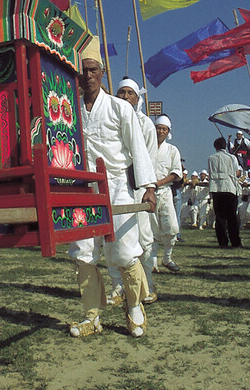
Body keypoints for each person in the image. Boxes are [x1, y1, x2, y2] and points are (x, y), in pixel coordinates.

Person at [68, 38, 156, 339]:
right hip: (83, 188)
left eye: (92, 69)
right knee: (82, 252)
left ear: (102, 72)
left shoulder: (120, 108)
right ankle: (91, 316)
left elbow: (138, 148)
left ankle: (134, 308)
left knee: (123, 251)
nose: (87, 75)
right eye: (83, 70)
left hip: (117, 185)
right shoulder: (68, 109)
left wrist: (148, 187)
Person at [108, 77, 159, 304]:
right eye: (122, 92)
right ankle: (117, 286)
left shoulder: (145, 124)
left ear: (137, 99)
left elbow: (149, 158)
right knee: (113, 235)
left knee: (144, 238)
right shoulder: (111, 117)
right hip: (117, 185)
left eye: (130, 93)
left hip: (138, 187)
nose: (125, 96)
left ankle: (145, 284)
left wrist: (149, 186)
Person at [152, 115, 183, 274]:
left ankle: (167, 258)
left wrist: (160, 182)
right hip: (147, 193)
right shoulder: (147, 147)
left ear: (168, 131)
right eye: (158, 128)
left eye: (163, 129)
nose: (160, 131)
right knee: (151, 228)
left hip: (164, 192)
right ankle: (152, 261)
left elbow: (176, 173)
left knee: (171, 226)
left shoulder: (172, 150)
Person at [206, 137, 242, 248]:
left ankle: (222, 241)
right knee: (232, 217)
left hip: (217, 189)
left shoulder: (210, 158)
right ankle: (235, 242)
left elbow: (210, 173)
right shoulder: (232, 158)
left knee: (220, 217)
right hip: (229, 188)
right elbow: (237, 172)